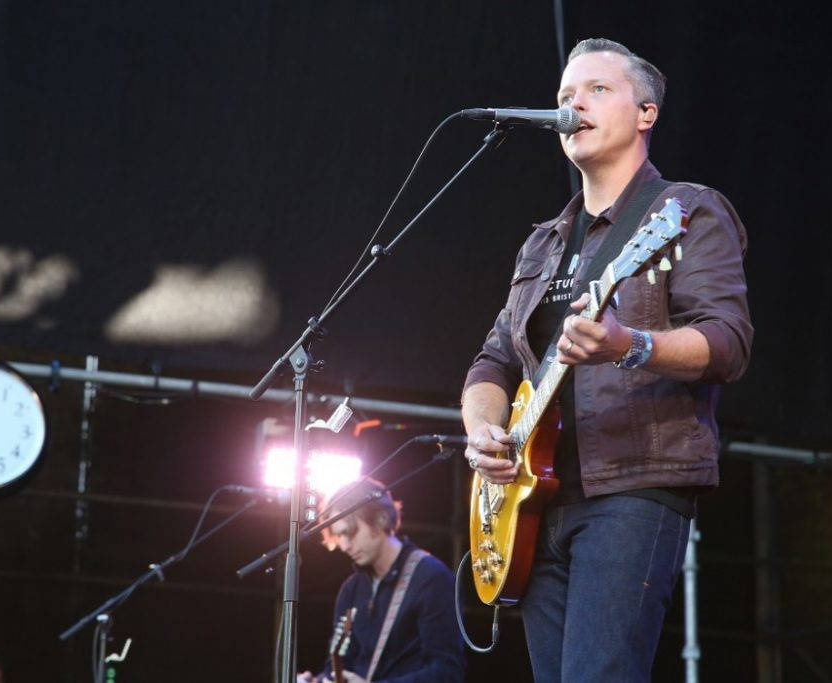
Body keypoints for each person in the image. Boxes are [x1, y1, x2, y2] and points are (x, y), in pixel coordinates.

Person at [461, 38, 752, 682]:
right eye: (565, 95)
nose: (573, 104)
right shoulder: (542, 245)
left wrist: (630, 344)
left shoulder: (685, 212)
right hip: (534, 503)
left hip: (633, 486)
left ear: (646, 112)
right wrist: (483, 430)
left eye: (596, 89)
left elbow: (727, 342)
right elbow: (492, 363)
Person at [297, 479, 465, 682]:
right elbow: (340, 666)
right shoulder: (352, 589)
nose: (344, 545)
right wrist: (319, 679)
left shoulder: (431, 578)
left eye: (350, 532)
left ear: (381, 519)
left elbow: (447, 672)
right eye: (339, 536)